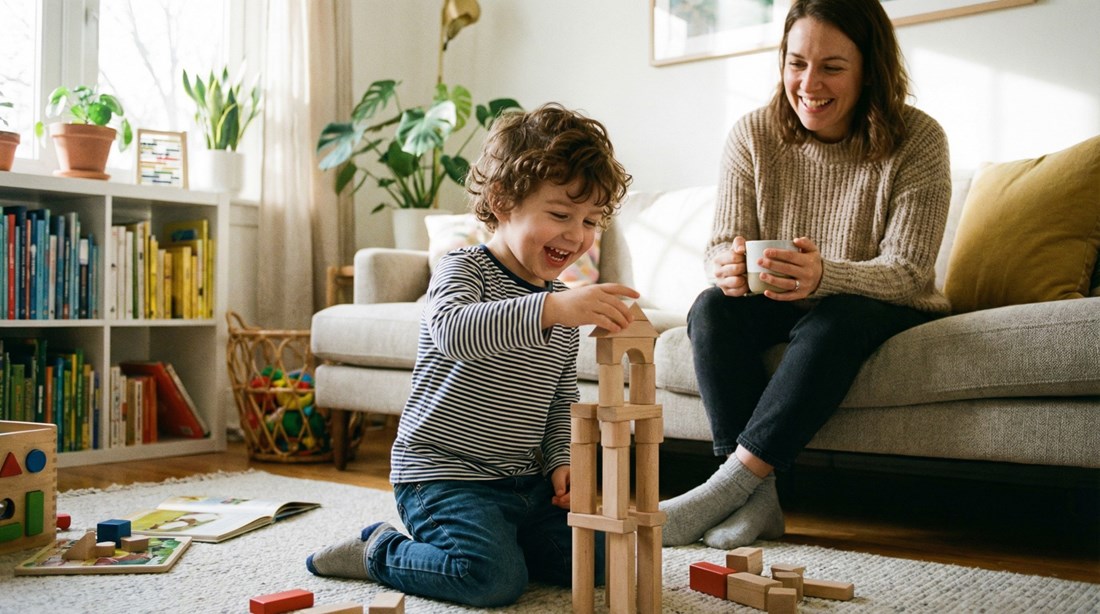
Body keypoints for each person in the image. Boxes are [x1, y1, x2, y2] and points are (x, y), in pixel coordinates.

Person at [306, 103, 638, 608]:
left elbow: (559, 397)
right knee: (489, 580)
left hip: (523, 483)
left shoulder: (560, 306)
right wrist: (552, 307)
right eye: (560, 214)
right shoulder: (466, 270)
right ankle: (377, 550)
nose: (577, 235)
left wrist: (561, 461)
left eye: (591, 220)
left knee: (599, 561)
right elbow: (455, 332)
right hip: (443, 476)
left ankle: (506, 541)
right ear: (503, 202)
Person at [659, 0, 952, 550]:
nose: (808, 83)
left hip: (874, 303)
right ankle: (758, 502)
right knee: (710, 308)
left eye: (832, 67)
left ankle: (721, 490)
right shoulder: (753, 134)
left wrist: (825, 276)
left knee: (835, 318)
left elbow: (909, 271)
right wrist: (727, 266)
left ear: (870, 70)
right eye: (796, 63)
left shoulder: (919, 139)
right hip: (782, 297)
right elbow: (724, 241)